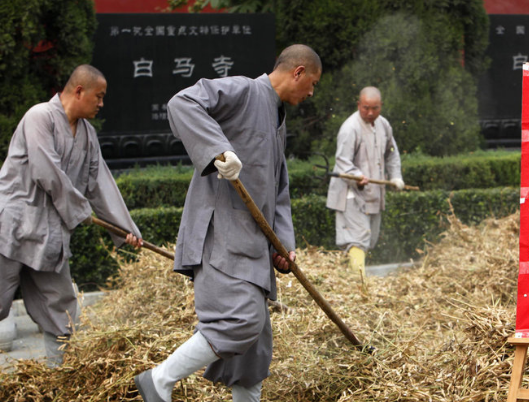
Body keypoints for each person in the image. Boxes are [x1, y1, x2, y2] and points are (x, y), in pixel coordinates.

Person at [134, 44, 322, 402]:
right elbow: (181, 103)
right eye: (311, 83)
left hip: (254, 245)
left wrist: (284, 246)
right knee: (239, 322)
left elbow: (278, 191)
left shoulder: (277, 118)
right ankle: (159, 380)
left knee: (254, 349)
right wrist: (219, 150)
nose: (311, 92)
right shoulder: (244, 90)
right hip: (220, 235)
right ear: (297, 72)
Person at [0, 65, 143, 398]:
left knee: (60, 306)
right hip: (12, 224)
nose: (102, 104)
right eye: (99, 96)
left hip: (50, 233)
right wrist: (79, 210)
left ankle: (58, 378)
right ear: (79, 91)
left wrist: (125, 230)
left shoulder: (87, 135)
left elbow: (101, 184)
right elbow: (47, 171)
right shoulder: (38, 116)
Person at [326, 86, 404, 280]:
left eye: (375, 108)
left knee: (370, 238)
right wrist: (357, 176)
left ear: (381, 106)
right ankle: (359, 285)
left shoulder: (384, 125)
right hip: (350, 193)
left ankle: (349, 277)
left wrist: (396, 176)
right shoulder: (349, 128)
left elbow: (392, 153)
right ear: (359, 105)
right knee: (357, 239)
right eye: (366, 108)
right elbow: (343, 162)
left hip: (374, 192)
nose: (370, 112)